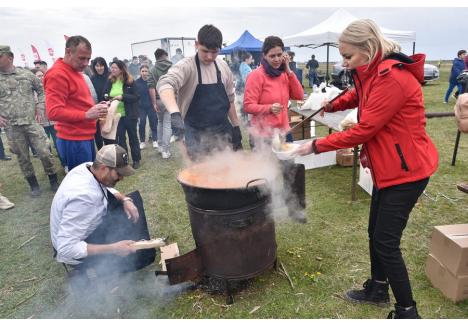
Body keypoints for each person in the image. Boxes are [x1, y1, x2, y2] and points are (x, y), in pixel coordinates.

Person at [296, 19, 439, 319]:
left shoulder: (392, 78)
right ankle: (377, 289)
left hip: (407, 171)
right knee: (375, 233)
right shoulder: (371, 72)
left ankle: (407, 311)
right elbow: (358, 95)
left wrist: (314, 146)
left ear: (368, 48)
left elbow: (365, 129)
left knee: (387, 242)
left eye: (348, 56)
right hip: (388, 168)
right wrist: (326, 104)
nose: (343, 62)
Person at [50, 144, 155, 280]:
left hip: (83, 227)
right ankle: (89, 269)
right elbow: (66, 249)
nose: (121, 178)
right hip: (74, 251)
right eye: (119, 174)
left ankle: (139, 253)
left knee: (133, 200)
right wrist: (114, 248)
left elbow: (108, 189)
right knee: (122, 248)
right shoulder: (85, 199)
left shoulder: (89, 168)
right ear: (104, 168)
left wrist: (125, 200)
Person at [243, 36, 306, 223]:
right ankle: (263, 210)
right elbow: (248, 105)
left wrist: (289, 70)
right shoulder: (256, 75)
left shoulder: (284, 74)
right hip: (263, 135)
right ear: (264, 55)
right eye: (273, 56)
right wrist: (268, 108)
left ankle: (294, 209)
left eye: (280, 55)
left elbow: (299, 95)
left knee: (290, 171)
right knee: (263, 174)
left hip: (283, 132)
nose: (277, 59)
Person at [157, 24, 242, 160]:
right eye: (205, 51)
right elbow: (165, 84)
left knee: (227, 171)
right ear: (196, 45)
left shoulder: (223, 66)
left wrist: (236, 126)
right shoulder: (186, 66)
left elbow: (230, 99)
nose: (209, 56)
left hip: (222, 130)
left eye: (214, 52)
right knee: (202, 176)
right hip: (195, 134)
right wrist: (174, 112)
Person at [44, 35, 109, 173]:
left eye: (88, 59)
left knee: (89, 178)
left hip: (84, 136)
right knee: (82, 182)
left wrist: (95, 108)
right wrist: (86, 114)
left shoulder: (75, 71)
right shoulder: (58, 74)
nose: (86, 63)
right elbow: (53, 112)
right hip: (74, 140)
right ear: (68, 52)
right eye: (82, 58)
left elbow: (76, 102)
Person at [0, 45, 59, 197]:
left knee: (44, 152)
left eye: (0, 56)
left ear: (10, 57)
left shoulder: (26, 74)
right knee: (23, 157)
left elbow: (41, 90)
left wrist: (40, 106)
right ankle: (34, 186)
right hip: (11, 126)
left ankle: (53, 180)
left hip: (32, 122)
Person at [103, 60, 141, 169]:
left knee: (133, 137)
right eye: (111, 68)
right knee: (121, 140)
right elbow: (105, 93)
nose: (112, 70)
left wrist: (123, 97)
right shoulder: (110, 81)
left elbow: (136, 96)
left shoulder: (130, 81)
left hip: (129, 115)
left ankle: (136, 159)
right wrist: (106, 98)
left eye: (114, 68)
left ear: (121, 69)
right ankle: (124, 161)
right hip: (116, 116)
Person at [31, 68, 63, 166]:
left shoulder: (50, 87)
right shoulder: (31, 92)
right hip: (41, 124)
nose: (41, 77)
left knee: (59, 144)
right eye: (38, 76)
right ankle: (50, 167)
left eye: (42, 75)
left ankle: (64, 164)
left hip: (54, 121)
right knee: (45, 147)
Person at [148, 49, 173, 159]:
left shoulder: (152, 69)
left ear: (156, 57)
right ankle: (165, 150)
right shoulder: (172, 67)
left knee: (160, 122)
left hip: (158, 99)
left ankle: (160, 146)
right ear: (165, 56)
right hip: (170, 98)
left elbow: (151, 87)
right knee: (167, 124)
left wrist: (154, 103)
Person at [135, 64, 158, 150]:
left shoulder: (152, 81)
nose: (144, 73)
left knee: (153, 123)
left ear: (149, 72)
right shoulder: (136, 83)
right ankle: (142, 141)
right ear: (140, 72)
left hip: (151, 106)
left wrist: (155, 103)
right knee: (142, 123)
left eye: (146, 71)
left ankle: (155, 140)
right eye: (143, 71)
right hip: (141, 108)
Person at [90, 57, 110, 150]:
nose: (99, 68)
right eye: (97, 66)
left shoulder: (110, 76)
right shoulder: (92, 78)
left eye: (101, 65)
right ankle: (101, 152)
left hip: (110, 108)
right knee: (97, 134)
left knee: (108, 133)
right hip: (97, 109)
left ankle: (110, 152)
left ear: (104, 66)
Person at [238, 52, 254, 122]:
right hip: (244, 88)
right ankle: (246, 119)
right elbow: (247, 80)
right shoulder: (245, 67)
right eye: (251, 59)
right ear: (246, 59)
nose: (252, 60)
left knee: (243, 103)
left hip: (241, 88)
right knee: (246, 104)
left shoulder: (242, 65)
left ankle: (244, 118)